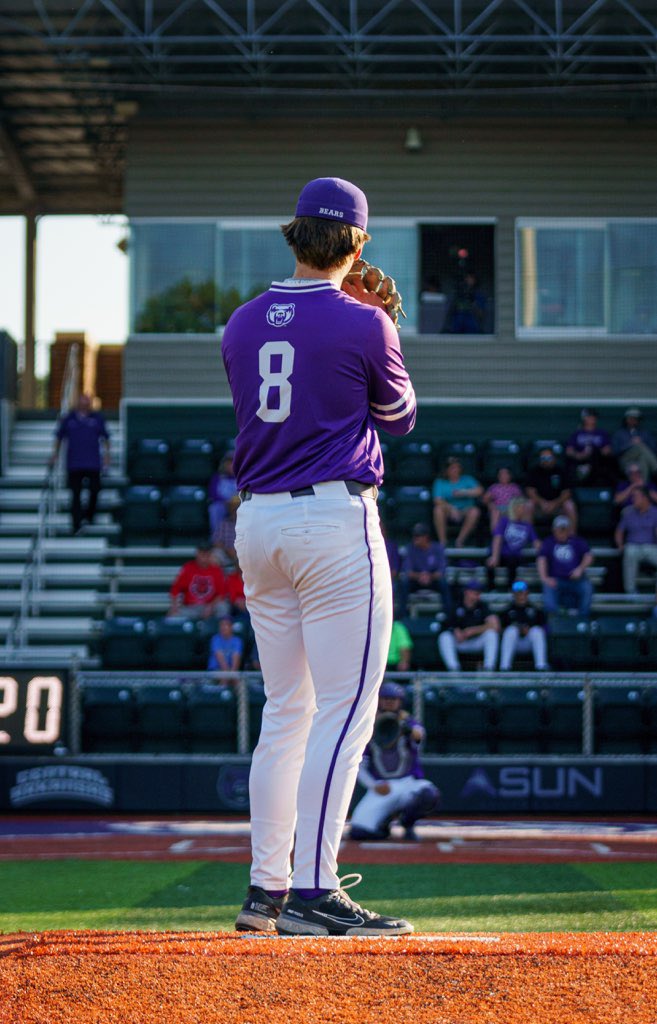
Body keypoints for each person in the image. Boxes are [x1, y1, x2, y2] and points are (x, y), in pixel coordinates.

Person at [223, 176, 416, 937]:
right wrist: (380, 326)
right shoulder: (363, 322)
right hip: (331, 520)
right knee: (344, 709)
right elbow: (398, 419)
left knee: (287, 714)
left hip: (258, 523)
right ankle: (312, 889)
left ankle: (265, 891)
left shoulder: (240, 323)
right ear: (357, 243)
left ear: (294, 234)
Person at [349, 681, 440, 842]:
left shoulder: (408, 723)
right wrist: (373, 785)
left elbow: (419, 736)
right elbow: (358, 764)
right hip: (383, 786)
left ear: (400, 701)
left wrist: (405, 727)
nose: (389, 702)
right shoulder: (367, 725)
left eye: (393, 699)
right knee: (359, 831)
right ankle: (384, 823)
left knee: (429, 793)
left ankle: (407, 823)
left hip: (407, 782)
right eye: (385, 698)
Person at [49, 393, 110, 535]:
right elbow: (59, 437)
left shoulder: (97, 419)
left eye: (87, 402)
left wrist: (107, 457)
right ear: (77, 403)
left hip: (93, 463)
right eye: (82, 401)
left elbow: (106, 438)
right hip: (74, 464)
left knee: (95, 489)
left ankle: (88, 516)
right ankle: (76, 524)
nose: (84, 404)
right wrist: (55, 455)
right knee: (75, 494)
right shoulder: (69, 419)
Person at [537, 515, 594, 618]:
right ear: (554, 530)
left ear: (569, 530)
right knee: (548, 587)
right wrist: (544, 578)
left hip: (576, 580)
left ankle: (583, 618)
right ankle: (553, 619)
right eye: (560, 529)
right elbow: (541, 559)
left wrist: (580, 569)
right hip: (556, 580)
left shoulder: (577, 541)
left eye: (564, 529)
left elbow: (588, 556)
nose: (562, 532)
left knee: (587, 586)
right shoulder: (548, 542)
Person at [437, 579, 500, 671]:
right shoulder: (455, 606)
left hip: (477, 641)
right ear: (466, 592)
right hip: (460, 642)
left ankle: (489, 669)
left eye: (479, 592)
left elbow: (495, 626)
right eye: (475, 592)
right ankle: (454, 670)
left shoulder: (482, 606)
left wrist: (473, 630)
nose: (477, 595)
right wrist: (455, 631)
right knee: (444, 637)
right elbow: (443, 624)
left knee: (491, 634)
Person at [486, 497, 541, 590]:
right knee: (490, 561)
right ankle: (491, 588)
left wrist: (543, 552)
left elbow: (536, 541)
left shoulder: (527, 525)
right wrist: (495, 556)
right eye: (522, 507)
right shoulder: (504, 521)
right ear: (515, 508)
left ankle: (510, 589)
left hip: (515, 557)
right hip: (501, 554)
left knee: (513, 561)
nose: (524, 510)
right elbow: (497, 538)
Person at [398, 522, 452, 614]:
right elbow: (408, 571)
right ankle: (401, 615)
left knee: (444, 583)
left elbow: (441, 571)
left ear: (426, 537)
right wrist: (420, 576)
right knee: (404, 583)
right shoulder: (410, 548)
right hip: (416, 580)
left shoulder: (437, 548)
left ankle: (448, 615)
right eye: (414, 536)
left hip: (433, 580)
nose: (415, 539)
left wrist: (429, 576)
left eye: (418, 536)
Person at [167, 542, 230, 619]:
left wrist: (210, 606)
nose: (204, 557)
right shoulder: (188, 568)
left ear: (210, 555)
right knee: (172, 616)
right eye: (201, 554)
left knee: (223, 607)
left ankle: (220, 630)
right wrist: (174, 607)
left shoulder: (216, 571)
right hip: (191, 607)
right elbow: (175, 589)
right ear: (197, 554)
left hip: (208, 606)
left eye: (206, 554)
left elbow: (221, 594)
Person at [432, 456, 484, 548]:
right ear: (447, 470)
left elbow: (479, 491)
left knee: (475, 511)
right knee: (437, 510)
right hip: (448, 511)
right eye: (452, 468)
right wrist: (451, 508)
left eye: (457, 467)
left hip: (465, 510)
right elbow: (437, 500)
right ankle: (443, 542)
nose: (455, 470)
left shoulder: (467, 479)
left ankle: (460, 540)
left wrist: (463, 492)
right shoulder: (440, 482)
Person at [614, 487, 657, 593]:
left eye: (635, 497)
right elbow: (619, 531)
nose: (633, 499)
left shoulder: (655, 512)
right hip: (632, 545)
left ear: (645, 498)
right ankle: (630, 591)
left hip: (650, 546)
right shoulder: (628, 512)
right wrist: (620, 545)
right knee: (629, 552)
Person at [499, 580, 549, 671]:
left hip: (529, 643)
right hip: (514, 643)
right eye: (518, 594)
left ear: (527, 594)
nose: (521, 596)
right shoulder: (506, 611)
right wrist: (518, 629)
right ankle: (505, 667)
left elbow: (545, 628)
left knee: (537, 631)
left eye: (523, 593)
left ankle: (541, 666)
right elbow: (500, 630)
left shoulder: (536, 611)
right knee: (510, 631)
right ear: (513, 595)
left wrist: (529, 629)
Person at [526, 446, 577, 530]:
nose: (546, 460)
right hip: (540, 507)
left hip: (558, 506)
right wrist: (542, 502)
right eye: (543, 458)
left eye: (549, 458)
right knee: (528, 504)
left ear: (554, 458)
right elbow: (530, 491)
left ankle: (572, 538)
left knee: (570, 505)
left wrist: (555, 503)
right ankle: (530, 537)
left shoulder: (561, 471)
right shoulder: (534, 471)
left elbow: (567, 492)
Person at [565, 408, 615, 486]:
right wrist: (579, 455)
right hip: (581, 460)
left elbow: (608, 449)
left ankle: (588, 469)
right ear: (584, 418)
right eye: (590, 416)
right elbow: (569, 450)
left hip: (598, 462)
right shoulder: (577, 434)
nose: (593, 418)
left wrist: (595, 452)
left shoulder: (601, 433)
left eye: (594, 417)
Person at [612, 408, 657, 480]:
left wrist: (642, 443)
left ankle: (642, 488)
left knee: (643, 459)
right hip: (625, 460)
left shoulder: (645, 433)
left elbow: (654, 449)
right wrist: (630, 444)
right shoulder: (619, 433)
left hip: (641, 460)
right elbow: (615, 451)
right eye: (631, 418)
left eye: (635, 418)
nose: (633, 420)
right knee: (639, 446)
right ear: (626, 419)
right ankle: (655, 467)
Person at [482, 466, 524, 532]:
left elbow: (520, 500)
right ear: (498, 476)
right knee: (495, 512)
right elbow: (485, 499)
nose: (504, 476)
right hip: (498, 508)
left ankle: (514, 536)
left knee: (517, 510)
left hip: (511, 508)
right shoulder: (494, 487)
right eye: (501, 474)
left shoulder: (514, 487)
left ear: (510, 476)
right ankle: (496, 536)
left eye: (506, 474)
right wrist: (489, 503)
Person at [208, 450, 238, 540]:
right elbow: (213, 494)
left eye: (234, 462)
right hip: (224, 503)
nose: (231, 466)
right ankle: (217, 538)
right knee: (215, 508)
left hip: (240, 503)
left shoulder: (244, 477)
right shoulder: (218, 477)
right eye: (229, 463)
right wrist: (226, 501)